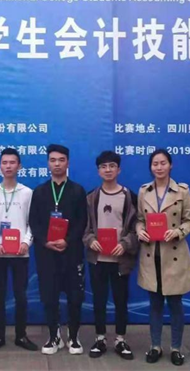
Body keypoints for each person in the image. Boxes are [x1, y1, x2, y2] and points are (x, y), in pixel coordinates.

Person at [136, 149, 190, 366]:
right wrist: (139, 231)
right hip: (151, 254)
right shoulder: (144, 191)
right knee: (155, 304)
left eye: (163, 163)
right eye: (155, 163)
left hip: (174, 254)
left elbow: (189, 221)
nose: (159, 167)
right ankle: (155, 346)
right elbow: (139, 219)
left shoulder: (182, 191)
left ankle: (176, 348)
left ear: (171, 165)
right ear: (150, 167)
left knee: (175, 304)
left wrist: (178, 232)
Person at [29, 144, 88, 355]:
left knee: (75, 297)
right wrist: (45, 241)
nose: (57, 164)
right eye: (53, 160)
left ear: (68, 163)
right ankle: (54, 336)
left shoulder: (77, 190)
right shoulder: (40, 191)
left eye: (61, 160)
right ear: (48, 163)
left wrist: (68, 240)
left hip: (71, 252)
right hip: (47, 253)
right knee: (49, 296)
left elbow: (82, 222)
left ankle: (73, 336)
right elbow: (34, 222)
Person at [82, 151, 137, 360]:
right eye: (103, 167)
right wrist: (90, 240)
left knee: (121, 300)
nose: (108, 170)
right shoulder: (91, 197)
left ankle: (120, 339)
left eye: (112, 166)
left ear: (119, 169)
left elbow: (137, 228)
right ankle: (100, 338)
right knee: (99, 300)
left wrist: (125, 244)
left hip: (120, 260)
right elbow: (84, 227)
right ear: (98, 171)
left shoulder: (130, 197)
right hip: (97, 259)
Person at [0, 148, 38, 352]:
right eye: (4, 162)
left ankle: (21, 335)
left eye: (12, 162)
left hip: (20, 253)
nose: (8, 166)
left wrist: (26, 242)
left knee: (20, 296)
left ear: (19, 166)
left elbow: (33, 222)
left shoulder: (27, 193)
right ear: (0, 166)